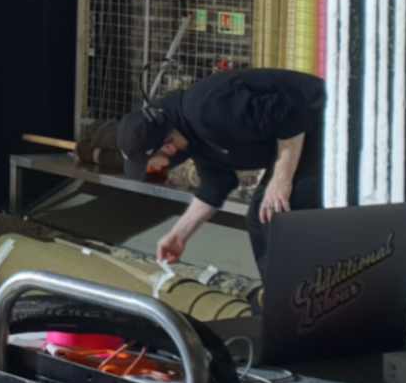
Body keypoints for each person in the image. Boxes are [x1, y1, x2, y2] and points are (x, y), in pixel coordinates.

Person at [116, 66, 326, 275]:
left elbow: (291, 116)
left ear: (167, 146)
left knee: (276, 213)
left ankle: (300, 295)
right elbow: (216, 185)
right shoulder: (190, 136)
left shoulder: (208, 109)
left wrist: (281, 181)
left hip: (322, 117)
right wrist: (179, 235)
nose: (155, 170)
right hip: (298, 137)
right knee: (261, 218)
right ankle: (281, 296)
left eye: (151, 164)